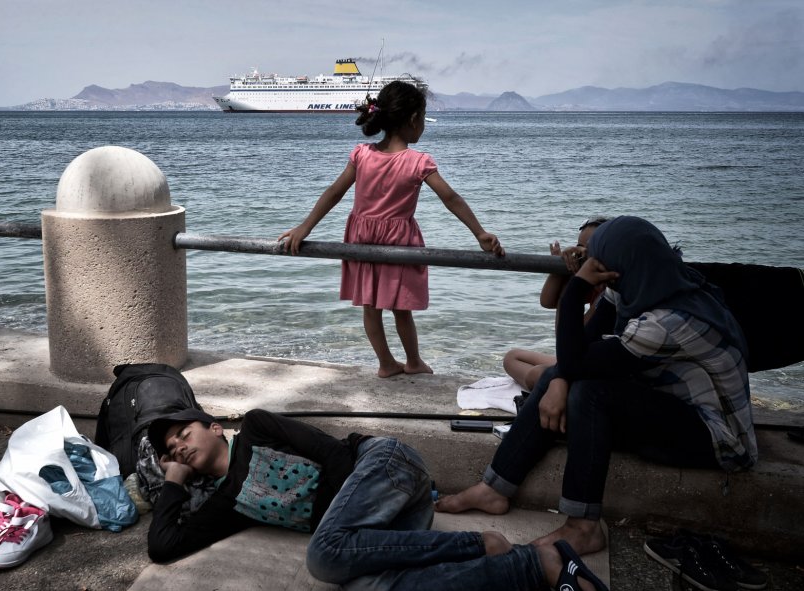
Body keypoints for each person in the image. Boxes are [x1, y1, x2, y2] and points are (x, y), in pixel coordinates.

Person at [436, 216, 757, 558]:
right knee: (555, 379)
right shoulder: (643, 282)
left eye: (596, 258)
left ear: (618, 264)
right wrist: (558, 379)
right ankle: (494, 489)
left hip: (718, 440)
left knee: (589, 393)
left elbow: (577, 362)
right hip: (671, 407)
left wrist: (575, 290)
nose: (590, 264)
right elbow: (578, 351)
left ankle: (583, 528)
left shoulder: (668, 322)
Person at [146, 408, 608, 591]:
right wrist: (175, 481)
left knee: (323, 559)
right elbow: (164, 546)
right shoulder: (227, 504)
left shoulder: (258, 428)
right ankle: (539, 565)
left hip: (384, 465)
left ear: (212, 426)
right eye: (171, 451)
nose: (178, 448)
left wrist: (342, 531)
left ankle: (478, 543)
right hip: (379, 524)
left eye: (182, 435)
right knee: (370, 590)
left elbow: (331, 454)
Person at [278, 81, 505, 378]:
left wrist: (304, 227)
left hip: (361, 238)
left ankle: (386, 363)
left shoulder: (361, 154)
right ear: (413, 120)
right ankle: (413, 361)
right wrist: (479, 233)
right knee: (401, 308)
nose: (423, 125)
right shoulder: (418, 162)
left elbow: (334, 192)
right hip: (399, 241)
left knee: (370, 307)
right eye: (422, 118)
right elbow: (450, 198)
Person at [503, 218, 608, 391]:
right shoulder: (591, 279)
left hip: (590, 369)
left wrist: (570, 290)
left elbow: (566, 341)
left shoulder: (608, 294)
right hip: (576, 359)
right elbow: (546, 301)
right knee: (512, 357)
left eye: (588, 248)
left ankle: (553, 387)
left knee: (537, 374)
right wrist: (560, 271)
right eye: (578, 246)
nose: (580, 253)